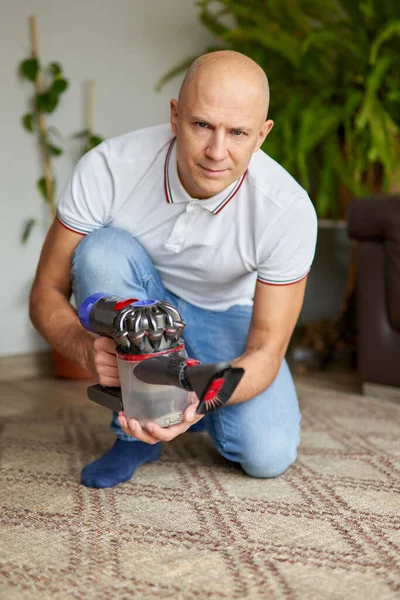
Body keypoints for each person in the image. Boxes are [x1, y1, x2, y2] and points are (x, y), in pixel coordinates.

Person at [29, 50, 317, 489]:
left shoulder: (288, 210)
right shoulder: (108, 168)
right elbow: (46, 292)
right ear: (175, 115)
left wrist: (197, 406)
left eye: (237, 132)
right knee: (101, 249)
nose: (216, 152)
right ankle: (135, 432)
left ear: (261, 135)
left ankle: (178, 400)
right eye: (202, 125)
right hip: (143, 302)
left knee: (266, 453)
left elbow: (266, 350)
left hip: (227, 318)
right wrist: (84, 348)